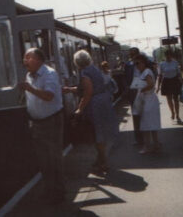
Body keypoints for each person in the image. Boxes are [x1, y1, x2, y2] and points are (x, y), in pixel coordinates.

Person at [20, 48, 65, 204]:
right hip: (37, 123)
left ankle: (58, 194)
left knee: (53, 159)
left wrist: (30, 89)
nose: (25, 61)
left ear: (38, 60)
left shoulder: (49, 74)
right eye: (25, 58)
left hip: (51, 122)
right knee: (43, 160)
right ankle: (49, 191)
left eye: (28, 58)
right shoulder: (29, 75)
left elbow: (49, 96)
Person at [63, 50, 118, 172]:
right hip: (103, 101)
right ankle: (100, 160)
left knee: (98, 133)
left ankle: (103, 162)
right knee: (100, 132)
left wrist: (79, 109)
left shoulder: (85, 73)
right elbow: (87, 87)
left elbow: (88, 92)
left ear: (77, 62)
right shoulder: (94, 69)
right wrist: (70, 89)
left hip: (95, 105)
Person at [133, 54, 162, 154]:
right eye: (135, 63)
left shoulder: (146, 72)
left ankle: (147, 146)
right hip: (148, 100)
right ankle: (156, 144)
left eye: (138, 63)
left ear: (144, 62)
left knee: (145, 125)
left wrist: (141, 89)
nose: (136, 65)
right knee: (151, 124)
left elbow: (151, 85)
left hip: (148, 100)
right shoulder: (143, 72)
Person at [156, 49, 183, 123]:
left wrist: (182, 82)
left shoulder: (175, 63)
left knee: (176, 99)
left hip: (175, 81)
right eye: (167, 55)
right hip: (166, 81)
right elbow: (160, 75)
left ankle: (177, 114)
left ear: (171, 56)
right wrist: (158, 87)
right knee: (169, 99)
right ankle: (172, 112)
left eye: (169, 55)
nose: (168, 57)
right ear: (165, 56)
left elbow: (179, 73)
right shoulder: (162, 64)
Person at [124, 47, 143, 145]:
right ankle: (138, 139)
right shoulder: (128, 65)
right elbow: (126, 79)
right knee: (135, 116)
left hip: (143, 91)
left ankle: (146, 137)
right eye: (131, 55)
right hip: (133, 92)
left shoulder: (144, 64)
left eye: (134, 54)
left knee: (144, 115)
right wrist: (128, 90)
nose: (132, 57)